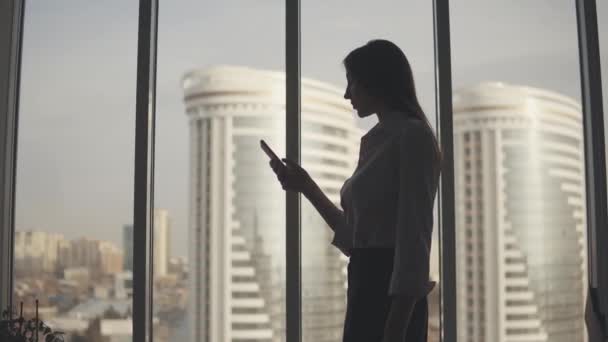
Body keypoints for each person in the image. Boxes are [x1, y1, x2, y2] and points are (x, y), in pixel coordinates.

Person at [269, 39, 441, 342]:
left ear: (376, 82)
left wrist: (395, 328)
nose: (347, 93)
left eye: (352, 82)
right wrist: (305, 186)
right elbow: (355, 238)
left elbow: (415, 240)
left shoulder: (412, 137)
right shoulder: (376, 141)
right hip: (366, 285)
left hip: (390, 301)